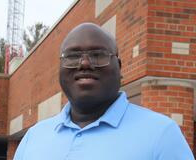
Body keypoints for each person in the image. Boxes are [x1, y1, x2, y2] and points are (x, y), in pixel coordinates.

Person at [13, 23, 194, 160]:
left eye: (98, 55)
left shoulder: (162, 134)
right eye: (73, 56)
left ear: (119, 67)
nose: (84, 63)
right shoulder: (33, 137)